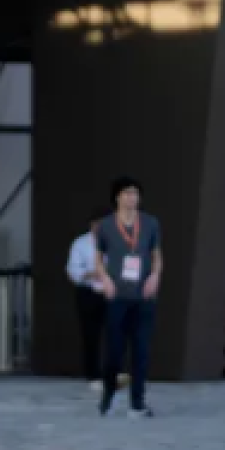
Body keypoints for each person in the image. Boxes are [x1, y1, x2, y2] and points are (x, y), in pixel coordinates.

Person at [93, 176, 162, 418]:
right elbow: (98, 258)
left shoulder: (150, 223)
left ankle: (137, 403)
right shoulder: (106, 226)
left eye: (135, 193)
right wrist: (105, 278)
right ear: (117, 197)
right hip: (117, 295)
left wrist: (155, 276)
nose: (132, 198)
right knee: (114, 350)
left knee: (141, 350)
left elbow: (156, 254)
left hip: (143, 296)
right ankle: (109, 396)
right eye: (127, 193)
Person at [66, 208, 107, 393]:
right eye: (98, 224)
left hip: (111, 292)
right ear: (92, 225)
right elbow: (73, 270)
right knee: (90, 334)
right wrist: (91, 274)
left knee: (115, 333)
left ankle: (112, 372)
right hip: (89, 292)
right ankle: (93, 374)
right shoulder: (81, 243)